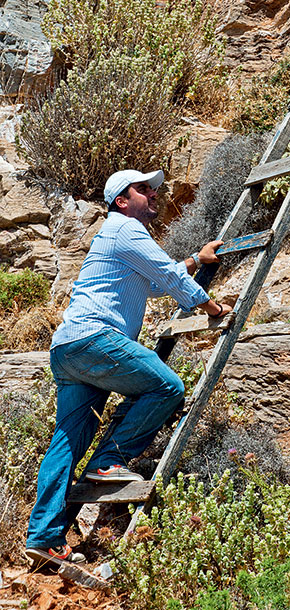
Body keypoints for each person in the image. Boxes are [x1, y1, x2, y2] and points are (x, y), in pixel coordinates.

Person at [25, 168, 233, 569]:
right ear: (122, 200)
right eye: (143, 189)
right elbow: (169, 280)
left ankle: (44, 536)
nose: (153, 194)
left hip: (69, 347)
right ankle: (110, 460)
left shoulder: (118, 235)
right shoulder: (126, 229)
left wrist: (194, 259)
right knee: (167, 388)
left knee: (67, 442)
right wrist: (213, 307)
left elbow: (153, 282)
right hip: (95, 339)